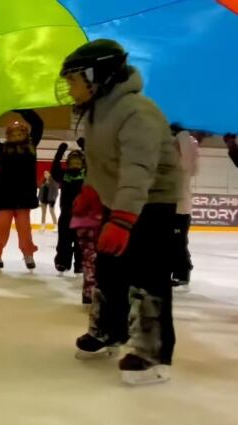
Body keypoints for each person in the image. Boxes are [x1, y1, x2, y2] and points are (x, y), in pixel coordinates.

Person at [60, 39, 183, 385]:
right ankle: (108, 332)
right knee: (108, 267)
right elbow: (103, 162)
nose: (69, 88)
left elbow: (137, 170)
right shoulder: (97, 112)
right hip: (119, 201)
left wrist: (124, 220)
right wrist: (90, 191)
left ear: (96, 76)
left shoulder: (136, 111)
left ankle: (151, 352)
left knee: (148, 275)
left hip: (152, 201)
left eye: (72, 80)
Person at [0, 110, 43, 271]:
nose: (16, 135)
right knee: (2, 227)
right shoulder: (3, 149)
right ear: (8, 135)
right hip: (4, 196)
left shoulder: (31, 146)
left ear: (25, 133)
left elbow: (38, 124)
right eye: (13, 133)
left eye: (19, 132)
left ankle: (28, 254)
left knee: (24, 227)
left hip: (24, 196)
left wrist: (21, 110)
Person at [170, 124, 200, 287]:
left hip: (180, 206)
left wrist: (183, 136)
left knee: (178, 241)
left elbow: (189, 165)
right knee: (168, 241)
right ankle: (171, 270)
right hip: (167, 204)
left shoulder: (189, 143)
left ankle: (182, 272)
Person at [51, 142, 86, 273]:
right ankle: (62, 262)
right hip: (66, 215)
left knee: (80, 243)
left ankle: (80, 264)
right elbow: (54, 170)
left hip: (83, 216)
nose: (75, 165)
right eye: (73, 163)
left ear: (83, 164)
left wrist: (85, 147)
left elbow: (94, 166)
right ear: (68, 163)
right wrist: (59, 153)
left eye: (78, 163)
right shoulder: (64, 175)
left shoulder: (86, 175)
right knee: (63, 241)